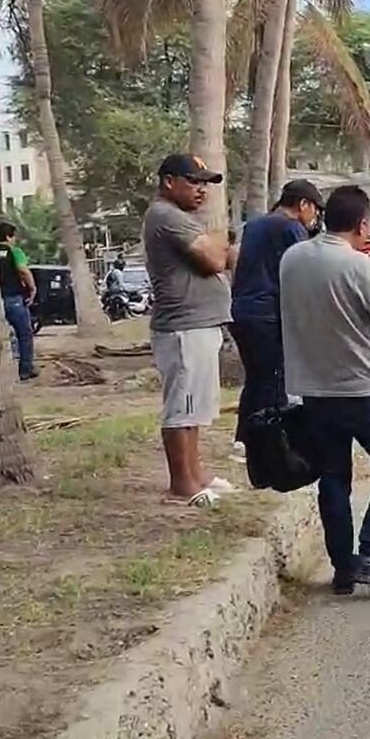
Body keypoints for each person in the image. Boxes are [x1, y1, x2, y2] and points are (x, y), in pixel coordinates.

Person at [279, 185, 370, 595]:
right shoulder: (358, 265)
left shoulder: (292, 258)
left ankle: (343, 567)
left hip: (315, 390)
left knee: (333, 478)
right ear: (362, 224)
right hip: (364, 387)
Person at [142, 154, 235, 507]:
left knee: (196, 407)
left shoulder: (182, 218)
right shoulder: (165, 215)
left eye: (205, 184)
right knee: (181, 407)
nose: (201, 190)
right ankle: (182, 484)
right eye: (193, 181)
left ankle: (196, 474)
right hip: (182, 326)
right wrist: (219, 242)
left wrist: (217, 243)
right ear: (169, 181)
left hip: (199, 324)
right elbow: (214, 259)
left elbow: (219, 252)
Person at [230, 179, 321, 450]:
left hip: (242, 310)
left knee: (256, 378)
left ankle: (244, 438)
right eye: (315, 209)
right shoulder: (291, 228)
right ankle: (269, 443)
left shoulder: (255, 224)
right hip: (268, 312)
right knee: (274, 379)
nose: (315, 217)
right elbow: (303, 271)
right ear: (303, 204)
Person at [0, 221, 39, 381]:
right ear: (8, 236)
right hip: (13, 298)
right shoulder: (14, 251)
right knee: (24, 334)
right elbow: (23, 271)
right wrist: (32, 288)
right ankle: (25, 369)